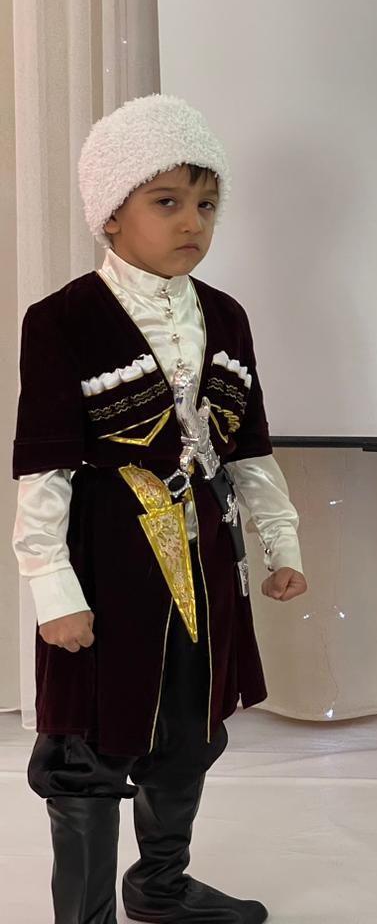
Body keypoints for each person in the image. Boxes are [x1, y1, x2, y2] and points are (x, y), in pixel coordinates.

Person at [12, 94, 307, 924]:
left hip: (205, 562)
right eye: (167, 201)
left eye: (206, 205)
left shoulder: (227, 315)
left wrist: (281, 543)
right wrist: (54, 592)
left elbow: (248, 446)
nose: (192, 222)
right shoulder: (62, 320)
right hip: (106, 562)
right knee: (87, 750)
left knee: (189, 731)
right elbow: (43, 468)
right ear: (112, 213)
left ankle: (160, 889)